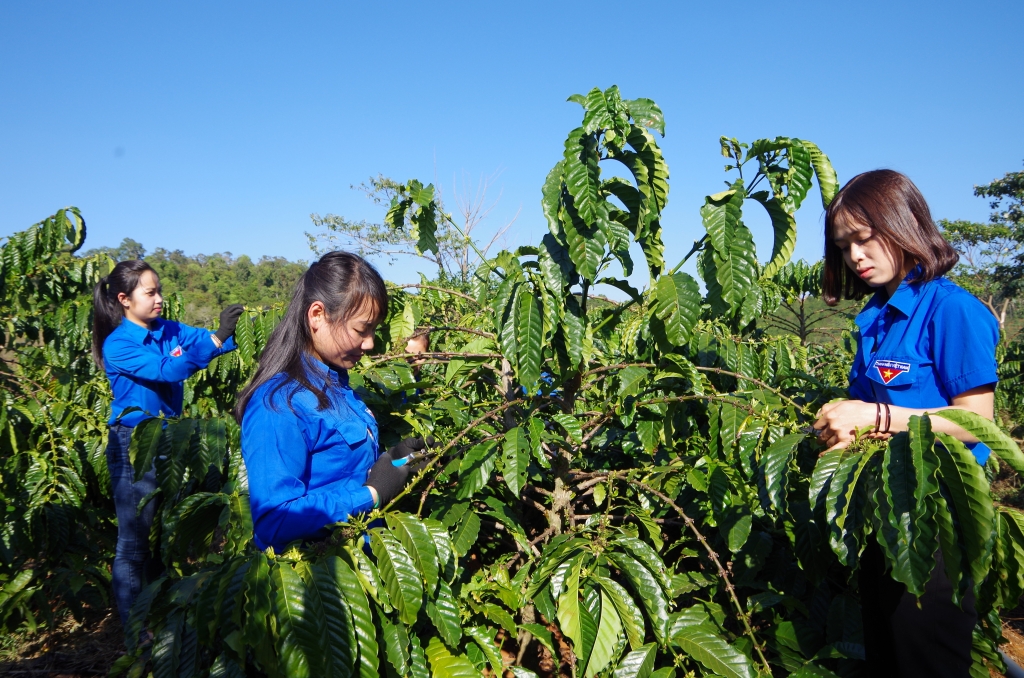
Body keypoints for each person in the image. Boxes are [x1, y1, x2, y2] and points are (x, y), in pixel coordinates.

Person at [812, 170, 999, 677]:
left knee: (927, 656)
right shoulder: (875, 317)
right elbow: (867, 408)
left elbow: (977, 421)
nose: (855, 256)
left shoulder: (951, 310)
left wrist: (875, 415)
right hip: (883, 511)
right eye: (844, 245)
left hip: (936, 517)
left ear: (902, 225)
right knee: (888, 651)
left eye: (864, 238)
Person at [235, 251, 424, 552]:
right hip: (320, 581)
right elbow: (275, 519)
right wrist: (372, 494)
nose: (370, 343)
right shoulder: (278, 404)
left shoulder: (340, 387)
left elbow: (338, 471)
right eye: (362, 329)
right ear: (317, 315)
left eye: (374, 329)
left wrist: (393, 460)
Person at [92, 260, 243, 630]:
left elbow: (210, 342)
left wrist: (249, 329)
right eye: (151, 292)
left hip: (168, 441)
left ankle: (158, 617)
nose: (159, 299)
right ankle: (134, 633)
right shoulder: (119, 345)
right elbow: (166, 370)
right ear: (124, 299)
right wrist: (215, 339)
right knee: (134, 543)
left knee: (160, 535)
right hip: (134, 444)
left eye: (159, 290)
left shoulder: (168, 329)